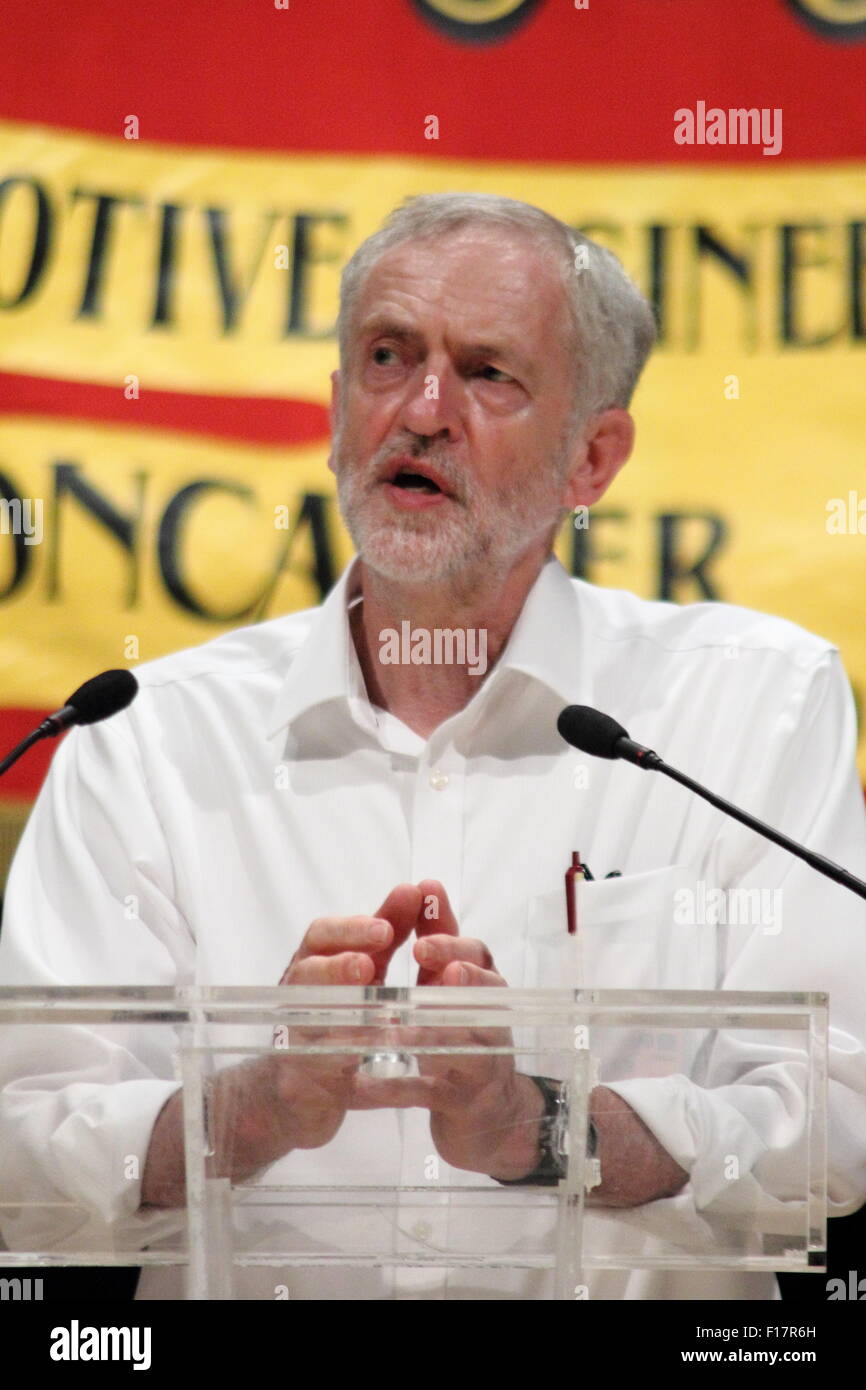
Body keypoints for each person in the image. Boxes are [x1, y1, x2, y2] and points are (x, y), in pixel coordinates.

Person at [1, 193, 864, 1300]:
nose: (421, 409)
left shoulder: (745, 709)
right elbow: (27, 1148)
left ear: (589, 459)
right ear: (333, 412)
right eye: (385, 355)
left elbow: (826, 1119)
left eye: (487, 373)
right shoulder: (146, 739)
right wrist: (255, 1105)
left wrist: (532, 1124)